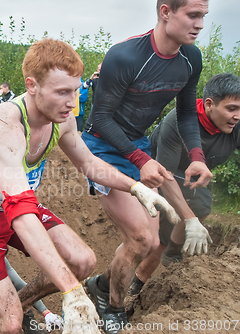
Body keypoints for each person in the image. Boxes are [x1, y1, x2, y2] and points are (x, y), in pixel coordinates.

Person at [0, 38, 179, 334]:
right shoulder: (5, 126)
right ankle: (6, 319)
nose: (72, 102)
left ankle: (16, 304)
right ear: (32, 86)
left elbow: (90, 164)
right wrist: (71, 291)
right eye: (62, 92)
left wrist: (135, 187)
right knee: (10, 326)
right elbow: (19, 211)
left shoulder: (62, 119)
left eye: (76, 90)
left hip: (18, 204)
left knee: (83, 261)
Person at [81, 1, 212, 332]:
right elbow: (100, 117)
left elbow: (185, 112)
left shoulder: (191, 57)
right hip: (101, 147)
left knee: (152, 244)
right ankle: (112, 308)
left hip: (137, 144)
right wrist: (141, 159)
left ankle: (100, 285)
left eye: (203, 17)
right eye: (192, 15)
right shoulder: (125, 56)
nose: (199, 24)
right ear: (166, 11)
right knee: (140, 239)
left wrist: (197, 155)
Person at [128, 72, 240, 295]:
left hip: (192, 175)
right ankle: (132, 279)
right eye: (231, 108)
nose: (237, 116)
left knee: (176, 226)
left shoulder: (236, 127)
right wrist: (190, 219)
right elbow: (164, 176)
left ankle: (143, 277)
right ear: (209, 104)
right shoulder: (178, 121)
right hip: (158, 170)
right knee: (165, 227)